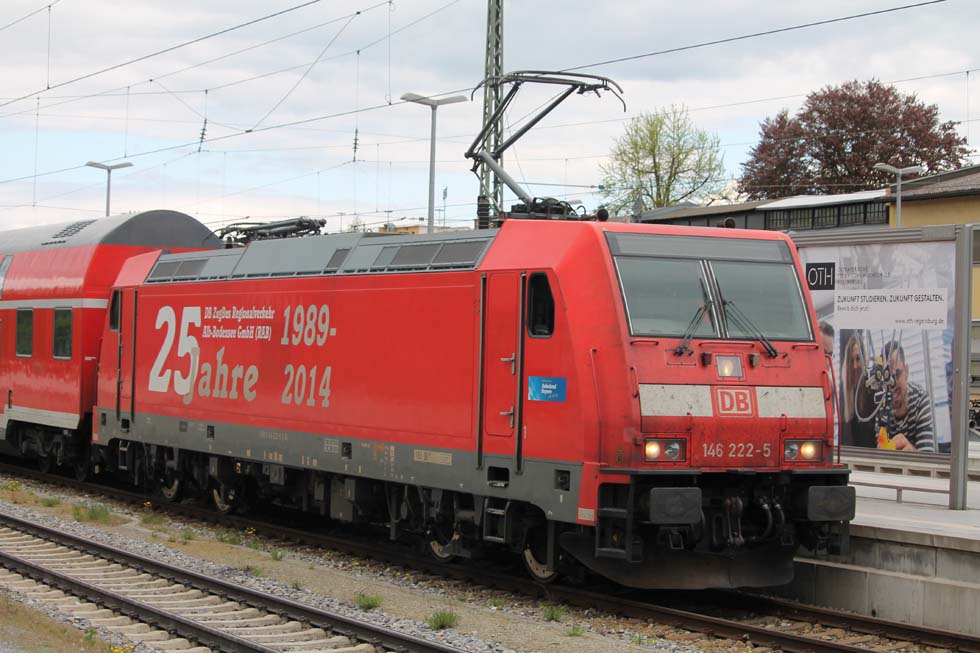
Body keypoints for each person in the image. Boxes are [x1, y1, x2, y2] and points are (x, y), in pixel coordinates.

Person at [881, 340, 936, 452]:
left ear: (906, 371)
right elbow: (880, 449)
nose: (892, 385)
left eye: (896, 374)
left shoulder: (921, 400)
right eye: (887, 378)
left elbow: (927, 456)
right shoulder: (881, 404)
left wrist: (911, 453)